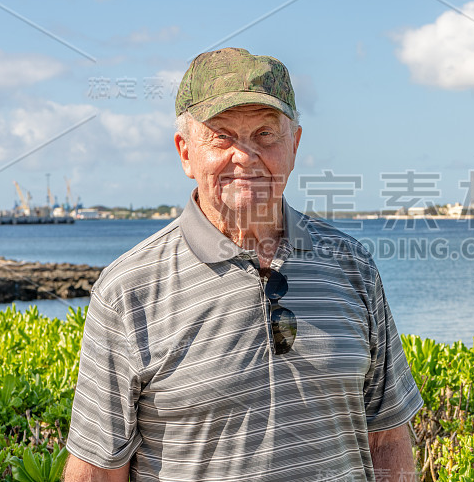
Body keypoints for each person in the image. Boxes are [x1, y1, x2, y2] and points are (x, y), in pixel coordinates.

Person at [63, 48, 423, 481]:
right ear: (185, 153)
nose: (245, 155)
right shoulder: (127, 290)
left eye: (266, 134)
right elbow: (97, 471)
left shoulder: (353, 267)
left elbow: (387, 439)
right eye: (222, 136)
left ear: (295, 145)